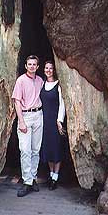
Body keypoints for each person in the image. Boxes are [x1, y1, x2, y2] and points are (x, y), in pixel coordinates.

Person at [12, 55, 44, 197]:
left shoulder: (40, 81)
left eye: (34, 64)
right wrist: (21, 121)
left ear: (37, 67)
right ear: (26, 66)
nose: (32, 66)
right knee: (25, 150)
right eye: (29, 64)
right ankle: (27, 182)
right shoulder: (20, 81)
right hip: (25, 116)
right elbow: (17, 102)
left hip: (39, 115)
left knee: (35, 150)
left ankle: (33, 178)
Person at [40, 61, 66, 190]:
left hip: (55, 121)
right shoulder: (42, 84)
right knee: (48, 148)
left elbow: (62, 104)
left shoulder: (59, 85)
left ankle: (55, 176)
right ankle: (51, 174)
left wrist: (59, 120)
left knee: (56, 148)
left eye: (51, 68)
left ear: (54, 70)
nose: (48, 70)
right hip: (44, 122)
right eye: (46, 68)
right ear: (44, 69)